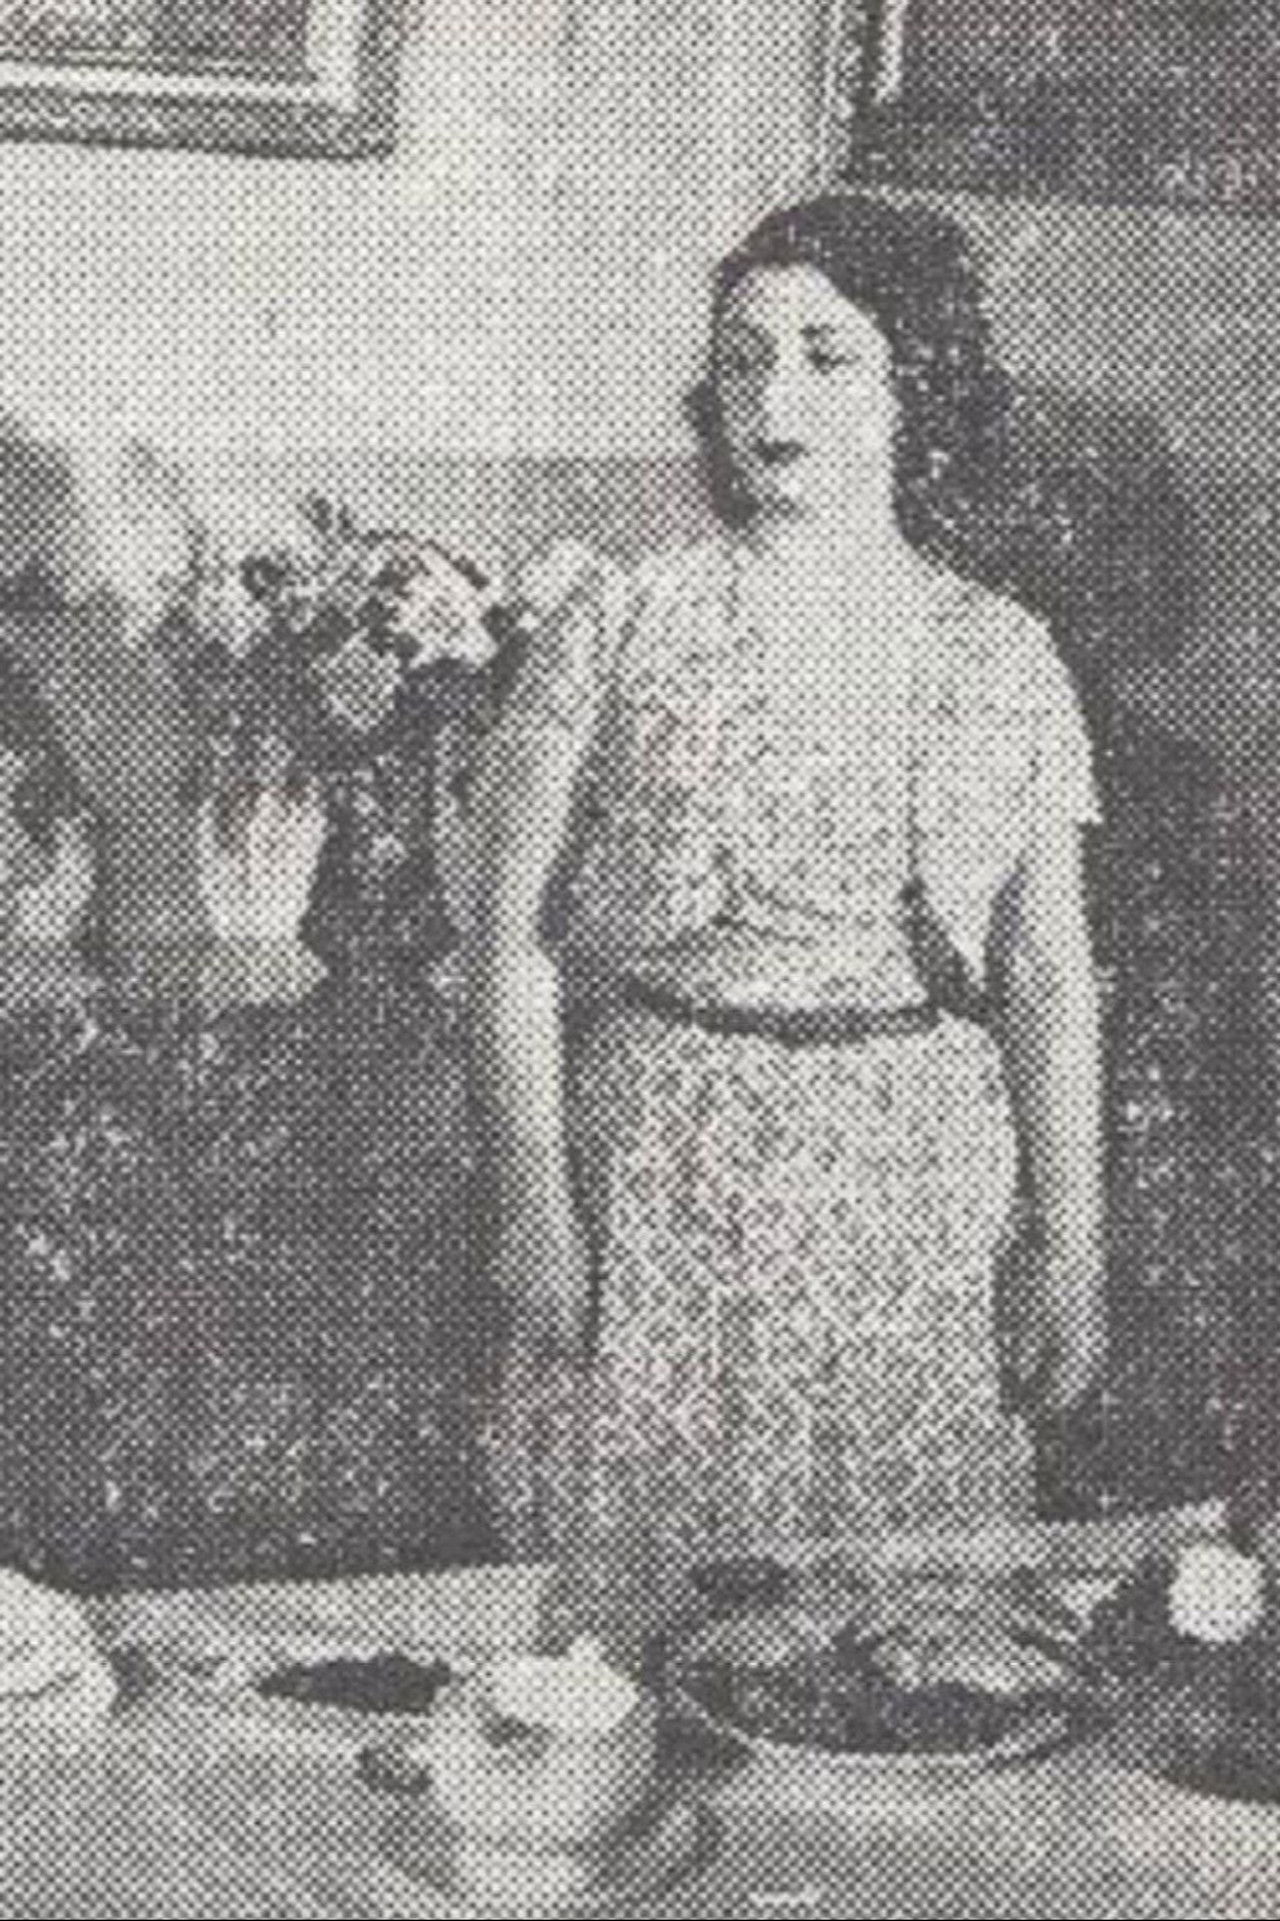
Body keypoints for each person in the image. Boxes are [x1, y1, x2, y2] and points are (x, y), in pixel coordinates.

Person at [467, 194, 1105, 1604]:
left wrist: (1071, 1240)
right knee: (640, 1606)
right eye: (744, 357)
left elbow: (1046, 971)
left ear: (915, 382)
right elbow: (511, 943)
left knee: (900, 1620)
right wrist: (534, 1208)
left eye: (829, 355)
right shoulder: (623, 619)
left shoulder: (1002, 650)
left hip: (914, 1170)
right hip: (664, 1156)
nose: (776, 396)